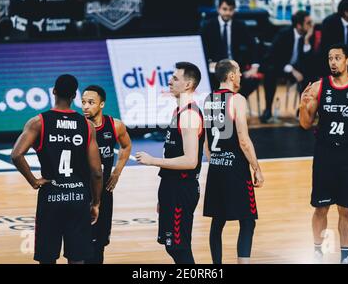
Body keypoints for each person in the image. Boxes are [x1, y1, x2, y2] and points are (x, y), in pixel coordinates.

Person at [299, 44, 348, 264]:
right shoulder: (318, 87)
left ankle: (345, 256)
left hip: (347, 155)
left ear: (347, 61)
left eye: (337, 58)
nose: (332, 62)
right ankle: (318, 250)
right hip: (324, 154)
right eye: (329, 58)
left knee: (346, 209)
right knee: (321, 208)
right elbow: (305, 124)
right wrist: (303, 105)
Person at [11, 74, 103, 264]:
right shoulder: (86, 125)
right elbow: (96, 171)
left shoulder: (38, 122)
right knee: (77, 258)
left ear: (53, 91)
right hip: (78, 197)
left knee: (47, 257)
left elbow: (16, 155)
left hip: (51, 196)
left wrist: (34, 181)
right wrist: (95, 202)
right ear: (75, 95)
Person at [135, 62, 204, 264]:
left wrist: (152, 161)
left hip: (181, 189)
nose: (169, 81)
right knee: (171, 246)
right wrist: (163, 195)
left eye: (175, 78)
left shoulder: (190, 115)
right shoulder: (178, 112)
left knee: (179, 248)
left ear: (188, 84)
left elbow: (191, 161)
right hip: (171, 187)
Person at [203, 59, 264, 264]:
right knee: (247, 221)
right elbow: (243, 140)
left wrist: (216, 161)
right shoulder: (237, 100)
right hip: (236, 169)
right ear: (230, 76)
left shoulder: (208, 99)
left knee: (217, 222)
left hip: (216, 168)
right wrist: (256, 168)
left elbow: (206, 142)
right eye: (238, 71)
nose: (240, 75)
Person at [81, 85, 132, 264]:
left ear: (101, 104)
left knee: (100, 243)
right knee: (80, 243)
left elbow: (126, 146)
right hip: (82, 190)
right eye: (83, 102)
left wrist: (117, 173)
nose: (85, 106)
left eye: (91, 102)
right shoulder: (78, 126)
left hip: (104, 191)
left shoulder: (115, 125)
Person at [260, 10, 316, 123]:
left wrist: (306, 42)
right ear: (299, 25)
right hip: (281, 66)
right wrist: (291, 70)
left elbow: (310, 61)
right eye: (308, 23)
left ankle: (302, 110)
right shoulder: (284, 34)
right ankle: (268, 110)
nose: (311, 26)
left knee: (311, 74)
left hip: (299, 68)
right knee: (270, 72)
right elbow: (273, 56)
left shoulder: (310, 35)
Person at [201, 0, 260, 97]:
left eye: (231, 10)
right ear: (218, 9)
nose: (227, 13)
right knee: (209, 81)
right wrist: (209, 63)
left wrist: (254, 66)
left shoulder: (240, 26)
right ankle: (221, 106)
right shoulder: (208, 26)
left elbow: (253, 46)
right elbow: (201, 48)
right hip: (215, 67)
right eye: (224, 9)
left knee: (252, 80)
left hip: (236, 67)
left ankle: (235, 101)